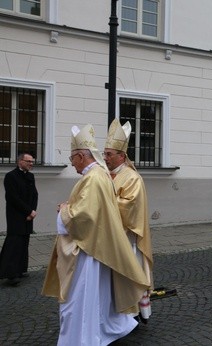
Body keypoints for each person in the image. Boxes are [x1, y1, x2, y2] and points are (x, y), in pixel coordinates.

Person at [42, 124, 149, 345]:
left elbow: (84, 215)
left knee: (80, 297)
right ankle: (98, 330)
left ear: (81, 156)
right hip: (99, 242)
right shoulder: (101, 174)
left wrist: (64, 210)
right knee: (96, 295)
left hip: (91, 247)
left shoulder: (94, 178)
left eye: (72, 159)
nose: (71, 164)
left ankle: (82, 338)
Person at [104, 118, 154, 324]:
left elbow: (129, 206)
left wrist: (101, 202)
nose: (104, 158)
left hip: (127, 237)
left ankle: (132, 313)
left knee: (129, 275)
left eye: (109, 154)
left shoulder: (131, 177)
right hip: (110, 237)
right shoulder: (107, 175)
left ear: (121, 155)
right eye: (104, 154)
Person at [0, 153, 38, 286]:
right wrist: (28, 211)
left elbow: (34, 195)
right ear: (20, 161)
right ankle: (10, 274)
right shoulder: (11, 176)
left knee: (24, 241)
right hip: (16, 215)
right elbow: (13, 198)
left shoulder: (30, 176)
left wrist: (32, 211)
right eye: (29, 161)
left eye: (32, 162)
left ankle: (21, 269)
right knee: (14, 243)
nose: (31, 164)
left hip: (29, 215)